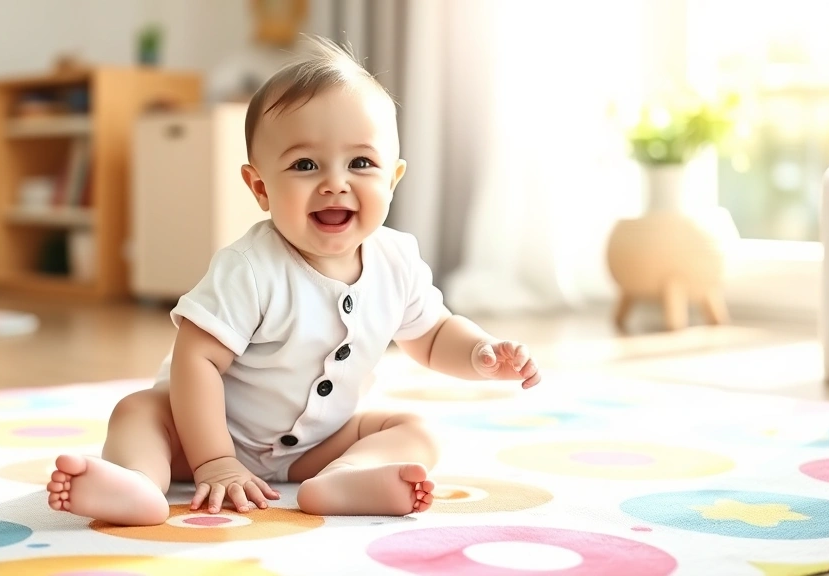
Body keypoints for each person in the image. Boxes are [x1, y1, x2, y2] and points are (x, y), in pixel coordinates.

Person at [46, 35, 542, 526]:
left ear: (392, 179)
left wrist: (481, 353)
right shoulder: (251, 267)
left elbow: (433, 337)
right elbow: (195, 358)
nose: (335, 182)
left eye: (361, 163)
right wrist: (215, 459)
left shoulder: (398, 260)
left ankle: (345, 478)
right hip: (196, 435)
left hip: (315, 447)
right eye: (305, 164)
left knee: (415, 429)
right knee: (137, 412)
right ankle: (137, 483)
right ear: (260, 187)